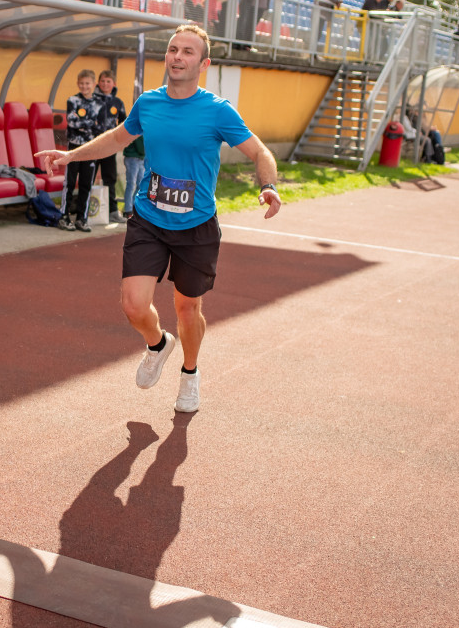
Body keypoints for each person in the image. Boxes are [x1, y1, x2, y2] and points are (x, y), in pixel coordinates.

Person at [35, 25, 282, 414]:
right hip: (149, 218)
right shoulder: (148, 104)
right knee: (134, 306)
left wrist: (268, 185)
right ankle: (158, 344)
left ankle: (190, 372)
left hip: (196, 224)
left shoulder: (217, 110)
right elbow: (117, 138)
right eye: (172, 50)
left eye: (187, 52)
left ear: (204, 63)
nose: (177, 57)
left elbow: (260, 152)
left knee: (188, 309)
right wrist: (71, 156)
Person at [58, 69, 106, 231]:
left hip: (91, 149)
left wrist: (85, 123)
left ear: (93, 85)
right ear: (78, 84)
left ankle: (81, 218)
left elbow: (102, 127)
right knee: (70, 182)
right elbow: (72, 122)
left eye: (88, 84)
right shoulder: (72, 100)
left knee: (86, 184)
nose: (85, 86)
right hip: (74, 147)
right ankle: (63, 216)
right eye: (82, 84)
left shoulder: (99, 104)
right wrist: (90, 123)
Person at [95, 70, 128, 223]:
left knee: (110, 178)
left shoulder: (118, 102)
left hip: (109, 147)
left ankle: (112, 211)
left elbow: (124, 123)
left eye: (108, 81)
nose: (105, 84)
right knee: (88, 177)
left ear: (113, 84)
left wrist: (119, 142)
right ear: (98, 83)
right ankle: (87, 210)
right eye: (102, 81)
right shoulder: (91, 100)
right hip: (92, 146)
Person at [122, 135, 145, 218]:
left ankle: (133, 206)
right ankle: (128, 210)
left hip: (139, 158)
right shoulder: (138, 128)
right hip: (132, 158)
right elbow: (140, 148)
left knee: (140, 185)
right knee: (131, 184)